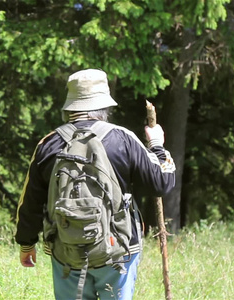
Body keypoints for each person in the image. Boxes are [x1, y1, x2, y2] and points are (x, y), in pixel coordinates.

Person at [15, 69, 176, 299]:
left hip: (65, 252)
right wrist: (157, 145)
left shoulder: (48, 144)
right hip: (118, 250)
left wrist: (26, 243)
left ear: (70, 106)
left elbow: (30, 201)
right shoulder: (123, 139)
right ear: (104, 106)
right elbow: (161, 182)